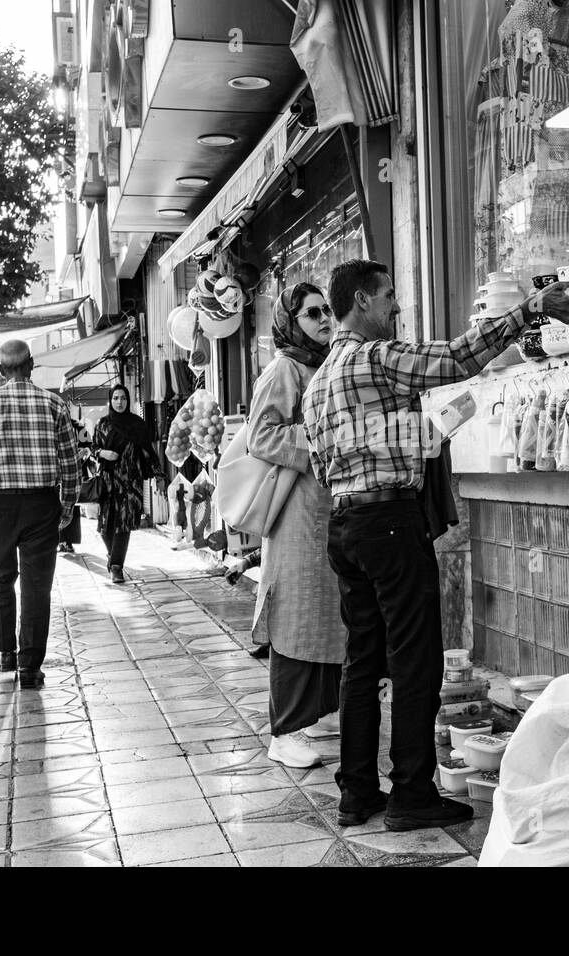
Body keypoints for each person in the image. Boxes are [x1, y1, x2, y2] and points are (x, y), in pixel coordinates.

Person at [303, 258, 569, 830]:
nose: (395, 307)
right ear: (361, 301)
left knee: (362, 662)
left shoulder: (317, 386)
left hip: (347, 525)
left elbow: (326, 464)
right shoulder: (375, 359)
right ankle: (412, 794)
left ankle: (357, 793)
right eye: (387, 296)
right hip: (389, 523)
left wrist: (421, 440)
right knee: (414, 661)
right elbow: (456, 357)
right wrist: (529, 309)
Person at [248, 283, 345, 769]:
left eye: (326, 310)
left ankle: (317, 714)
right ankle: (284, 729)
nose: (324, 318)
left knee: (325, 612)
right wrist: (320, 436)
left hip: (323, 507)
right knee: (295, 615)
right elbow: (260, 434)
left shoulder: (321, 363)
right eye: (312, 313)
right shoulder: (285, 367)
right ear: (291, 321)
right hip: (296, 512)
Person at [0, 339, 79, 689]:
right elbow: (69, 460)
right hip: (42, 504)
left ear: (0, 370)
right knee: (36, 585)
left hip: (1, 503)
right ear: (31, 365)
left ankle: (6, 653)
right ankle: (30, 667)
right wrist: (68, 503)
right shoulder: (54, 403)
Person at [93, 385, 159, 584]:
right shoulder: (103, 424)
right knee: (105, 527)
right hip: (108, 482)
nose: (119, 402)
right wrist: (103, 453)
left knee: (123, 525)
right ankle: (113, 556)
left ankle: (116, 567)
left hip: (131, 483)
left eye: (123, 398)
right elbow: (94, 447)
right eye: (115, 398)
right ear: (110, 401)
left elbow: (148, 451)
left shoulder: (137, 424)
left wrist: (159, 475)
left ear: (128, 400)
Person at [59, 416, 91, 554]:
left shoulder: (79, 427)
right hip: (58, 474)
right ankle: (60, 541)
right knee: (57, 508)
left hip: (76, 472)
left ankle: (69, 542)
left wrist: (82, 453)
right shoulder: (54, 422)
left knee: (72, 508)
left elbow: (89, 446)